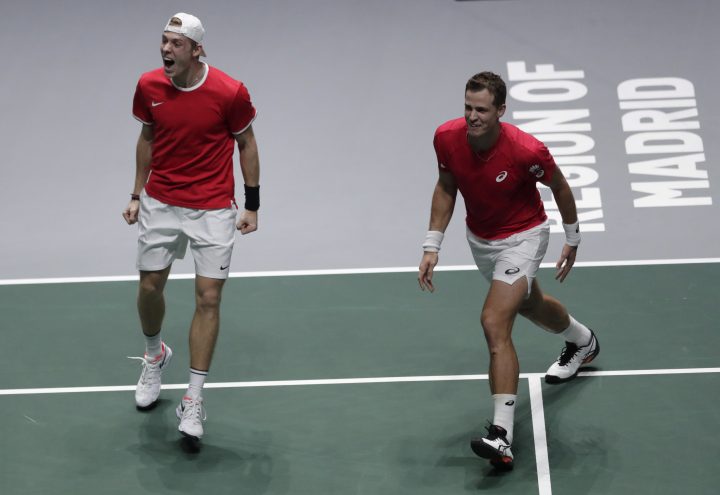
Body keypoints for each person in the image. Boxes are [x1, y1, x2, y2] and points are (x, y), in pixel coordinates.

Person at [417, 72, 598, 471]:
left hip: (524, 237)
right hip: (481, 240)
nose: (472, 117)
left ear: (501, 110)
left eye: (481, 109)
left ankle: (500, 435)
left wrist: (572, 238)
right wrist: (432, 243)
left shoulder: (525, 151)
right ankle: (582, 341)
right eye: (467, 107)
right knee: (530, 305)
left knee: (494, 319)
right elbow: (447, 185)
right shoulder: (446, 138)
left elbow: (560, 186)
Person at [122, 12, 260, 441]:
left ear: (197, 50)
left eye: (175, 44)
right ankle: (154, 355)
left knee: (209, 298)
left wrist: (251, 205)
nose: (166, 50)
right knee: (149, 288)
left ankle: (194, 397)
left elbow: (247, 143)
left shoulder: (229, 91)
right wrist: (135, 193)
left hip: (213, 207)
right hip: (161, 202)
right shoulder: (149, 87)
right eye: (163, 41)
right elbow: (147, 137)